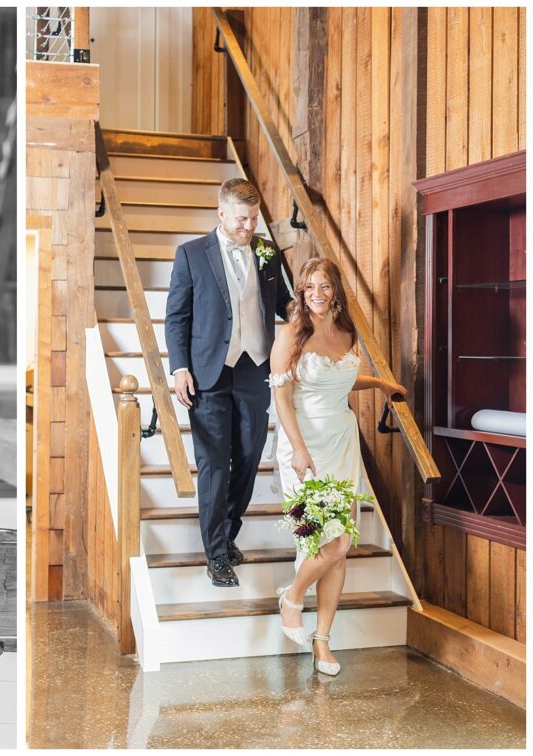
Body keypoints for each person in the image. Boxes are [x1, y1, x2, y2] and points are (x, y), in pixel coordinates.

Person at [270, 258, 405, 676]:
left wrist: (380, 383)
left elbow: (340, 379)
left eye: (324, 286)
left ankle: (323, 640)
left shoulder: (347, 332)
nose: (317, 294)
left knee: (341, 546)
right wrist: (297, 448)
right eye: (309, 287)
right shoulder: (291, 334)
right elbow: (282, 398)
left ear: (335, 291)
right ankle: (292, 598)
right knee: (332, 544)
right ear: (301, 292)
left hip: (343, 444)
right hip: (305, 447)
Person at [164, 178, 294, 587]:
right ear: (221, 213)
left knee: (250, 458)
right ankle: (217, 554)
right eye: (241, 219)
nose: (249, 226)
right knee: (214, 464)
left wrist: (314, 319)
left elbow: (284, 304)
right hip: (208, 373)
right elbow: (177, 317)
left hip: (255, 368)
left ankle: (228, 531)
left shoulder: (267, 253)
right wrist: (179, 367)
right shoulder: (191, 255)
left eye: (254, 218)